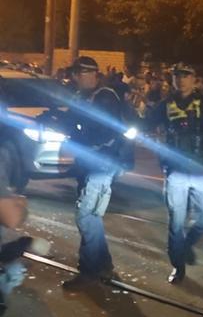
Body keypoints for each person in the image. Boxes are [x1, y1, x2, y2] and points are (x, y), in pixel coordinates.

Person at [143, 63, 203, 284]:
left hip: (200, 169)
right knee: (176, 222)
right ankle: (178, 265)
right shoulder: (165, 104)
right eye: (177, 76)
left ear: (194, 79)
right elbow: (145, 123)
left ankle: (186, 246)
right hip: (175, 171)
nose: (181, 79)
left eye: (186, 75)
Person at [62, 56, 124, 290]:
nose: (73, 78)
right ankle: (103, 264)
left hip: (102, 165)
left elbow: (104, 133)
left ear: (90, 74)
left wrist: (78, 137)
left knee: (85, 216)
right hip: (88, 165)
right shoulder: (83, 96)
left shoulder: (105, 97)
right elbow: (72, 122)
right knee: (91, 218)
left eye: (77, 74)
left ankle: (89, 272)